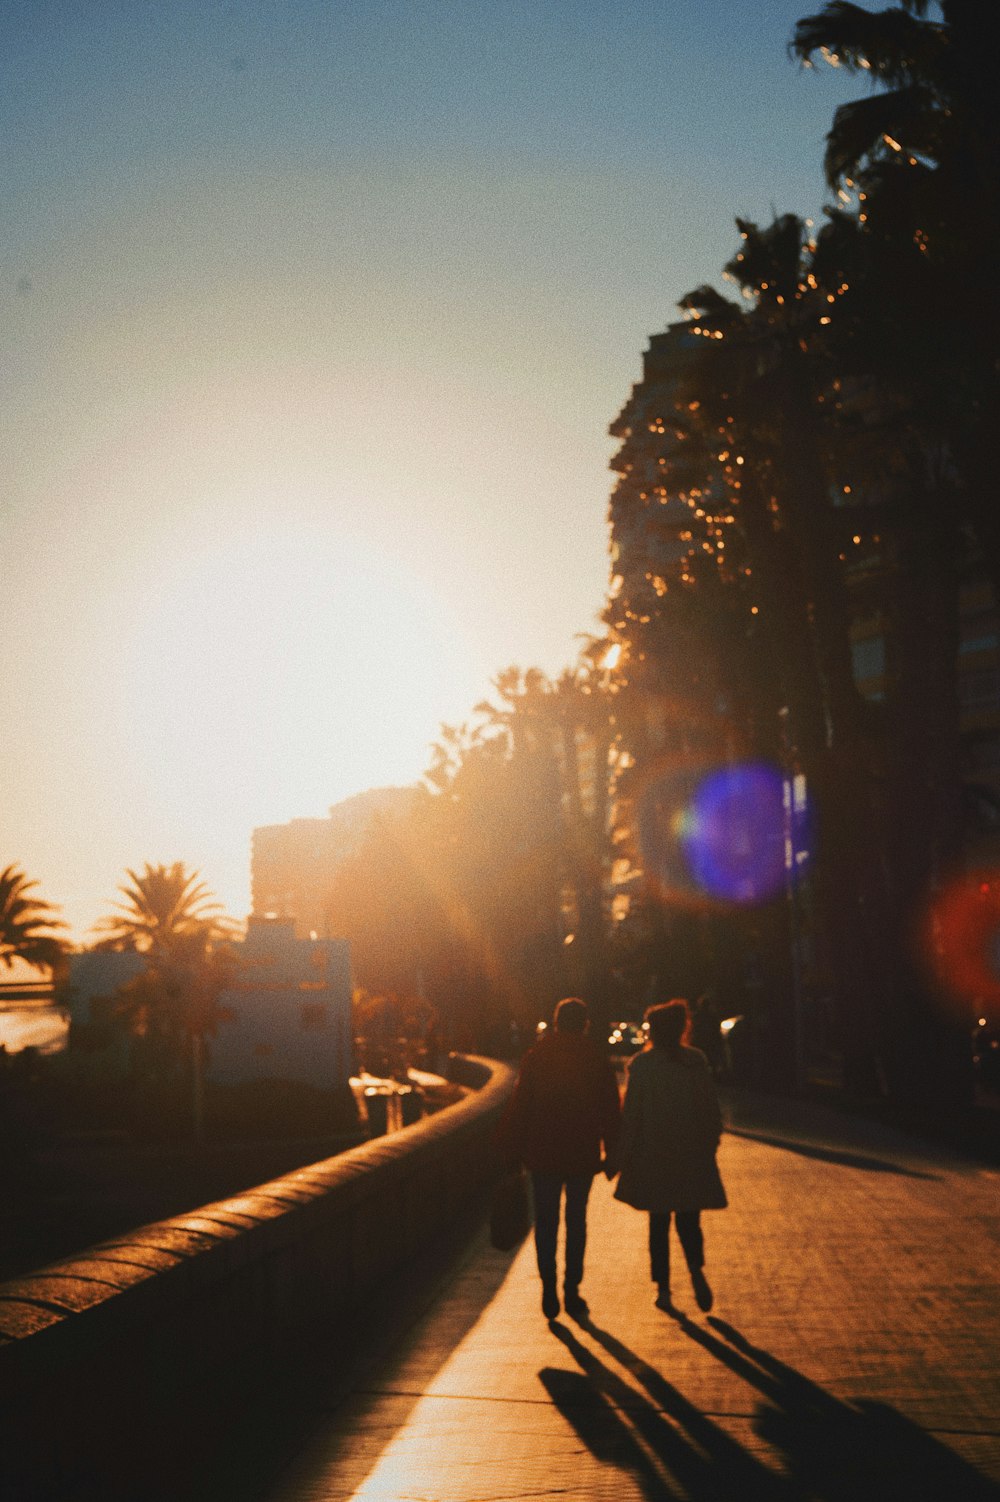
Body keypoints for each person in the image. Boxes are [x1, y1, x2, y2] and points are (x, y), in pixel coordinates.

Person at [496, 997, 621, 1320]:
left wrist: (511, 1150)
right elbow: (609, 1108)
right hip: (582, 1153)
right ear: (584, 1024)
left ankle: (548, 1286)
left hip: (543, 1153)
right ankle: (572, 1290)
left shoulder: (537, 1057)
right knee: (577, 1222)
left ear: (555, 1023)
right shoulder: (595, 1058)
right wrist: (614, 1151)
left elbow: (521, 1105)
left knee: (546, 1222)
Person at [613, 998, 726, 1313]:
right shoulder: (695, 1061)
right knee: (689, 1220)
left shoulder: (642, 1066)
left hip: (654, 1158)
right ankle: (695, 1269)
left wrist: (619, 1158)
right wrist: (709, 1144)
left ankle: (663, 1288)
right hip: (690, 1156)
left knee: (658, 1224)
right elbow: (710, 1109)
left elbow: (631, 1117)